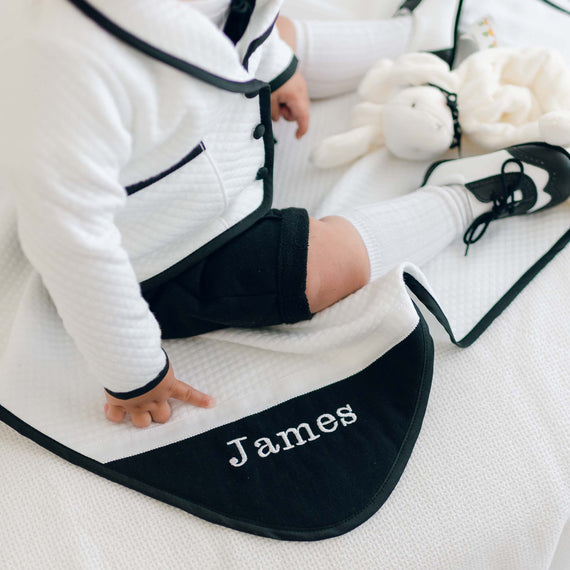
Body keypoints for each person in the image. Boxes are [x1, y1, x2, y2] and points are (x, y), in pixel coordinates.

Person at [0, 0, 568, 429]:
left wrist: (275, 66)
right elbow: (69, 242)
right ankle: (466, 195)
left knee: (288, 36)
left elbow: (247, 20)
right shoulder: (62, 66)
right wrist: (133, 374)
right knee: (311, 271)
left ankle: (419, 37)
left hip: (220, 130)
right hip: (168, 247)